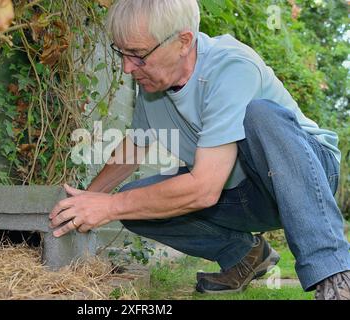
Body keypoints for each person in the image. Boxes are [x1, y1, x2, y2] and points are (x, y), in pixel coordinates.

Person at [49, 0, 350, 299]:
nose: (128, 68)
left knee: (260, 115)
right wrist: (87, 201)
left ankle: (334, 274)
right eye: (122, 53)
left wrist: (109, 207)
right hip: (242, 193)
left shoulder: (231, 67)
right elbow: (135, 147)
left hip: (308, 175)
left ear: (183, 42)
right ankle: (244, 255)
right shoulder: (153, 86)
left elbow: (204, 188)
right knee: (137, 205)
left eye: (138, 55)